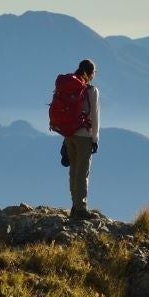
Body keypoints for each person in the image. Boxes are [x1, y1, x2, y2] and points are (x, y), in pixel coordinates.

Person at [62, 59, 101, 221]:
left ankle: (74, 205)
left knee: (73, 171)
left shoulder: (69, 87)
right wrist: (95, 138)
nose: (93, 76)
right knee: (83, 172)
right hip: (84, 136)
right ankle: (81, 208)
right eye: (93, 73)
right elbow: (95, 116)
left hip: (68, 134)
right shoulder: (91, 91)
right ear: (88, 73)